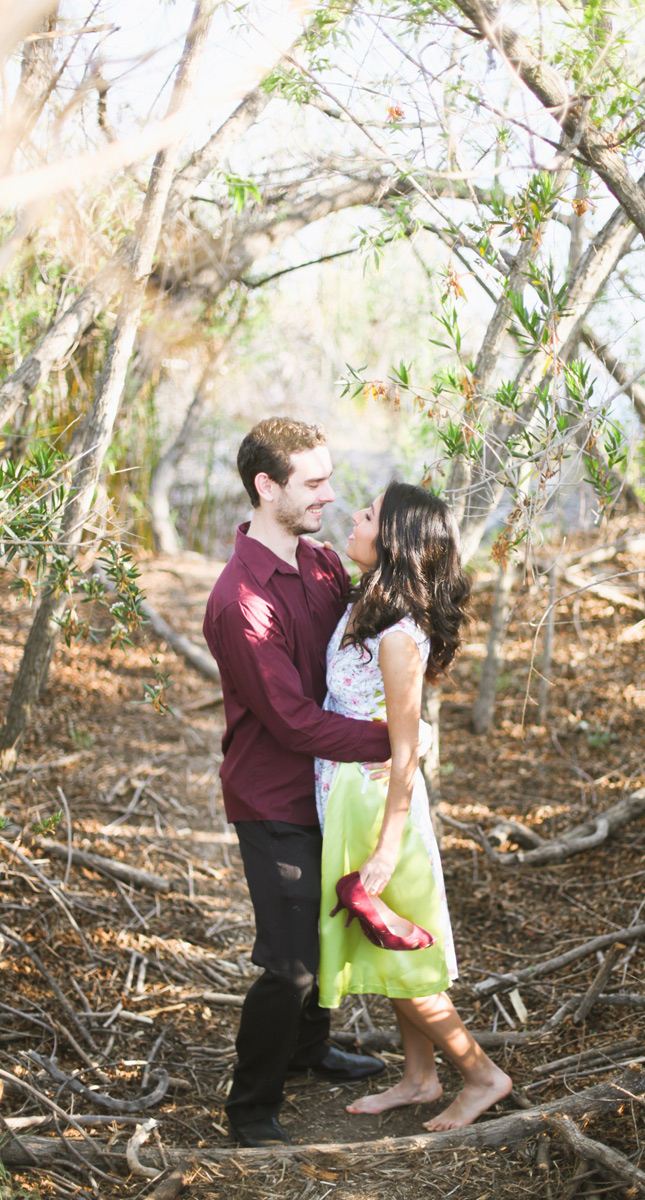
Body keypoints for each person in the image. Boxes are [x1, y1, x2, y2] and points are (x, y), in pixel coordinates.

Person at [203, 418, 392, 1148]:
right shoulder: (241, 601)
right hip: (274, 797)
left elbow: (359, 657)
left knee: (331, 924)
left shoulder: (319, 565)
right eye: (314, 483)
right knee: (289, 964)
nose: (330, 494)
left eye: (328, 478)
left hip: (332, 787)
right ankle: (251, 1107)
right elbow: (292, 721)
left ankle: (310, 1054)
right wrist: (395, 743)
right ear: (267, 486)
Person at [315, 481, 513, 1130]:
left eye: (368, 514)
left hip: (378, 808)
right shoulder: (368, 603)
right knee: (384, 942)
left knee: (402, 952)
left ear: (393, 539)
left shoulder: (399, 633)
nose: (354, 515)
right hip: (348, 795)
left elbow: (406, 751)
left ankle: (481, 1075)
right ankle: (420, 1078)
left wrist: (387, 845)